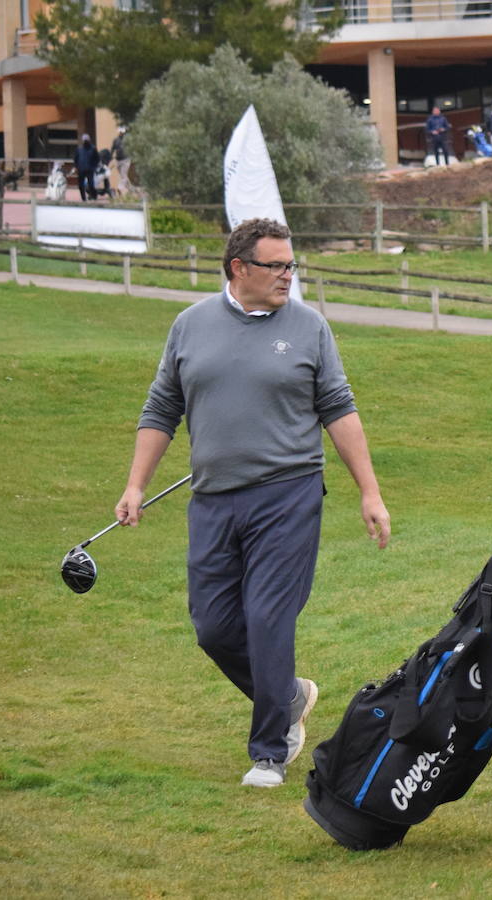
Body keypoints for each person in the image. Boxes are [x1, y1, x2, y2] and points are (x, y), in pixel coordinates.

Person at [114, 218, 392, 789]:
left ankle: (269, 751)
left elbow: (338, 408)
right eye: (277, 265)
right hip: (213, 500)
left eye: (292, 265)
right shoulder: (190, 327)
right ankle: (289, 696)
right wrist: (135, 484)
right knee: (214, 628)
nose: (289, 275)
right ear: (240, 268)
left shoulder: (309, 328)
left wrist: (369, 490)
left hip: (287, 495)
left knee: (268, 619)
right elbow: (161, 409)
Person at [74, 134, 99, 201]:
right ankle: (83, 198)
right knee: (81, 185)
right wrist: (76, 167)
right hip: (81, 170)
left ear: (89, 140)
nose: (85, 141)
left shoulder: (93, 148)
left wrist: (94, 167)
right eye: (84, 140)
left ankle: (93, 196)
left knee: (91, 184)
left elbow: (97, 159)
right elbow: (76, 159)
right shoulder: (79, 149)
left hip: (90, 169)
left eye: (86, 140)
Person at [112, 126, 132, 196]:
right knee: (124, 176)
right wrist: (110, 157)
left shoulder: (127, 140)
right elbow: (112, 149)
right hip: (118, 160)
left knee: (123, 175)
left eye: (122, 132)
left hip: (126, 160)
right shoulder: (116, 140)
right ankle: (131, 190)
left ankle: (120, 188)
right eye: (120, 132)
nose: (121, 133)